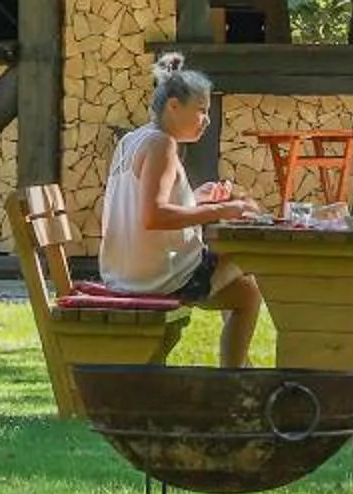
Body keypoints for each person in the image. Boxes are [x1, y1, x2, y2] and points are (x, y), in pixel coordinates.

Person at [97, 53, 265, 369]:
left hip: (121, 274)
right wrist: (226, 210)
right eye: (201, 111)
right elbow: (154, 216)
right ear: (173, 106)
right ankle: (236, 376)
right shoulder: (162, 145)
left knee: (243, 288)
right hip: (158, 278)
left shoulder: (132, 140)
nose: (207, 120)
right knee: (247, 271)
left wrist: (195, 200)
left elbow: (142, 206)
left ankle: (239, 369)